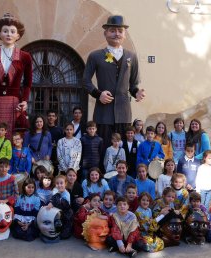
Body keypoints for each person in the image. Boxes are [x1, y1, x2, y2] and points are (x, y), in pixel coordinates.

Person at [83, 14, 146, 149]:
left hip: (124, 113)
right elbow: (85, 81)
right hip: (103, 113)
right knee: (104, 147)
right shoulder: (95, 56)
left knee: (123, 149)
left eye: (120, 31)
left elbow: (133, 84)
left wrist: (137, 93)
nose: (116, 34)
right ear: (105, 33)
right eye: (112, 30)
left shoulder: (132, 57)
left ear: (124, 34)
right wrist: (98, 94)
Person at [0, 13, 32, 139]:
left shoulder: (25, 56)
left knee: (15, 138)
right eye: (5, 31)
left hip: (15, 103)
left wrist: (24, 100)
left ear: (18, 35)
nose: (9, 34)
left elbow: (28, 83)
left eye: (13, 31)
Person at [47, 175, 73, 239]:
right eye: (57, 183)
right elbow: (53, 198)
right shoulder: (57, 192)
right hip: (59, 214)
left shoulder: (66, 194)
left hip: (66, 215)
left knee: (65, 235)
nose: (59, 185)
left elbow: (63, 204)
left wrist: (53, 203)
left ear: (65, 184)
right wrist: (51, 202)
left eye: (61, 183)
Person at [47, 110, 64, 175]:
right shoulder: (44, 129)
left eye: (53, 116)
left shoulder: (59, 130)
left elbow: (61, 145)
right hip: (46, 156)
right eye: (49, 116)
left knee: (55, 175)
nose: (51, 117)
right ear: (47, 117)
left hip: (56, 156)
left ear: (56, 118)